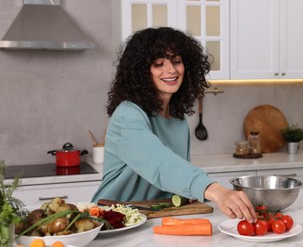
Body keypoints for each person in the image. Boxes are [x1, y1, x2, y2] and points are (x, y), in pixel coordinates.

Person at [91, 27, 256, 222]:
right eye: (158, 63)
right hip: (116, 220)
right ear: (141, 72)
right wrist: (217, 192)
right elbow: (160, 164)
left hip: (155, 217)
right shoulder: (128, 115)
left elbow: (174, 175)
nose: (171, 70)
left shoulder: (177, 117)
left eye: (177, 61)